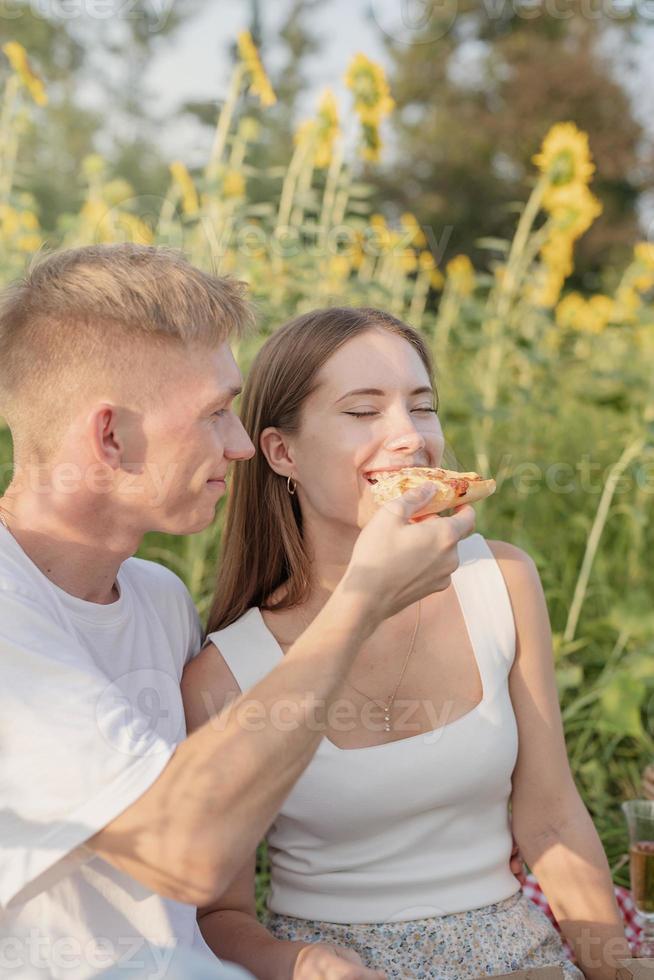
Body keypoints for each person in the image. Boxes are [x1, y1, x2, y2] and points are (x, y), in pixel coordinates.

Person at [0, 245, 475, 980]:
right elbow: (182, 854)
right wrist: (359, 604)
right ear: (111, 436)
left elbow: (206, 904)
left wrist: (302, 964)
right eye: (217, 413)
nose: (243, 444)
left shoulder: (155, 599)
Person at [182, 306, 631, 980]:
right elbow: (218, 917)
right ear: (282, 453)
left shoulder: (500, 581)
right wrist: (302, 964)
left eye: (422, 408)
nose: (410, 438)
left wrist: (616, 972)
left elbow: (552, 818)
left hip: (521, 956)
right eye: (363, 412)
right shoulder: (224, 675)